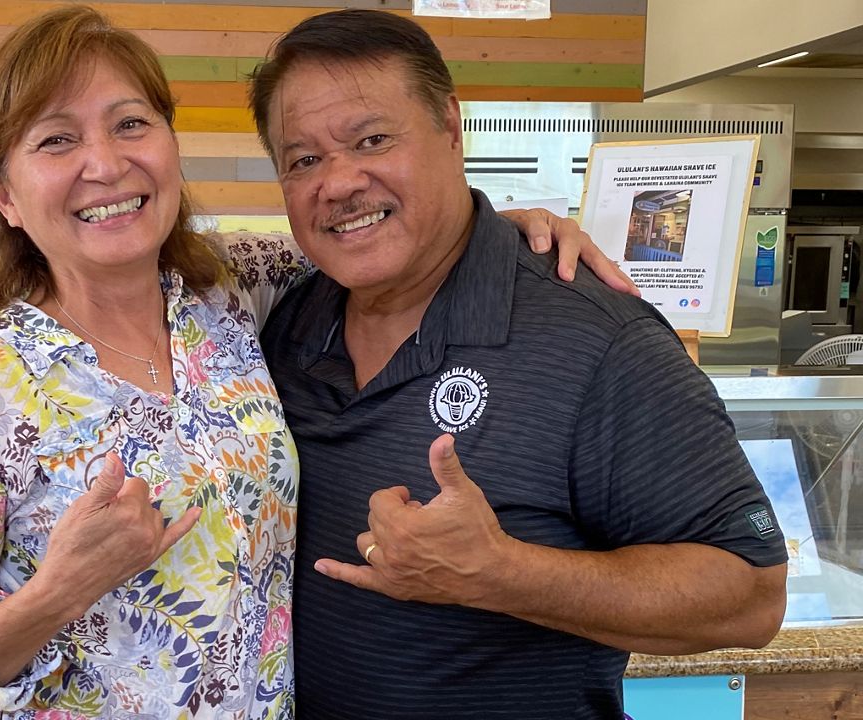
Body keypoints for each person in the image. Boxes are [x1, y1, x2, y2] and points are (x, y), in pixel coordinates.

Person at [0, 6, 628, 720]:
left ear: (169, 145)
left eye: (131, 123)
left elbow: (378, 232)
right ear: (6, 196)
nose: (106, 163)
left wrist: (507, 229)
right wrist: (56, 593)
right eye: (56, 141)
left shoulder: (229, 295)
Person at [248, 9, 789, 719]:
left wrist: (500, 574)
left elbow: (751, 594)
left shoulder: (596, 337)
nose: (339, 182)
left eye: (372, 139)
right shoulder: (281, 321)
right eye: (303, 160)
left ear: (450, 126)